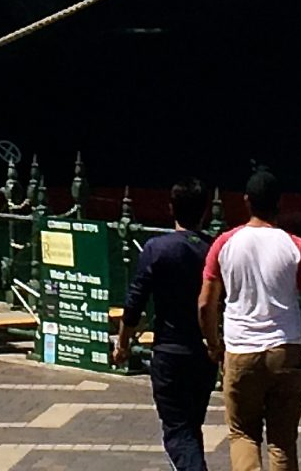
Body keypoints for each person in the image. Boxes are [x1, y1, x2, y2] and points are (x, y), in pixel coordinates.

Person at [199, 165, 301, 471]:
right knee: (282, 442)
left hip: (241, 351)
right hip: (285, 352)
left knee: (243, 434)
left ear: (246, 201)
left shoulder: (224, 244)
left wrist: (214, 344)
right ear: (279, 203)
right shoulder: (298, 247)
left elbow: (206, 304)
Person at [117, 178, 217, 471]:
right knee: (191, 425)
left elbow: (134, 303)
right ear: (205, 211)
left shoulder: (156, 248)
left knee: (177, 429)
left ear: (171, 208)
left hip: (169, 352)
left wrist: (122, 344)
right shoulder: (214, 249)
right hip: (203, 353)